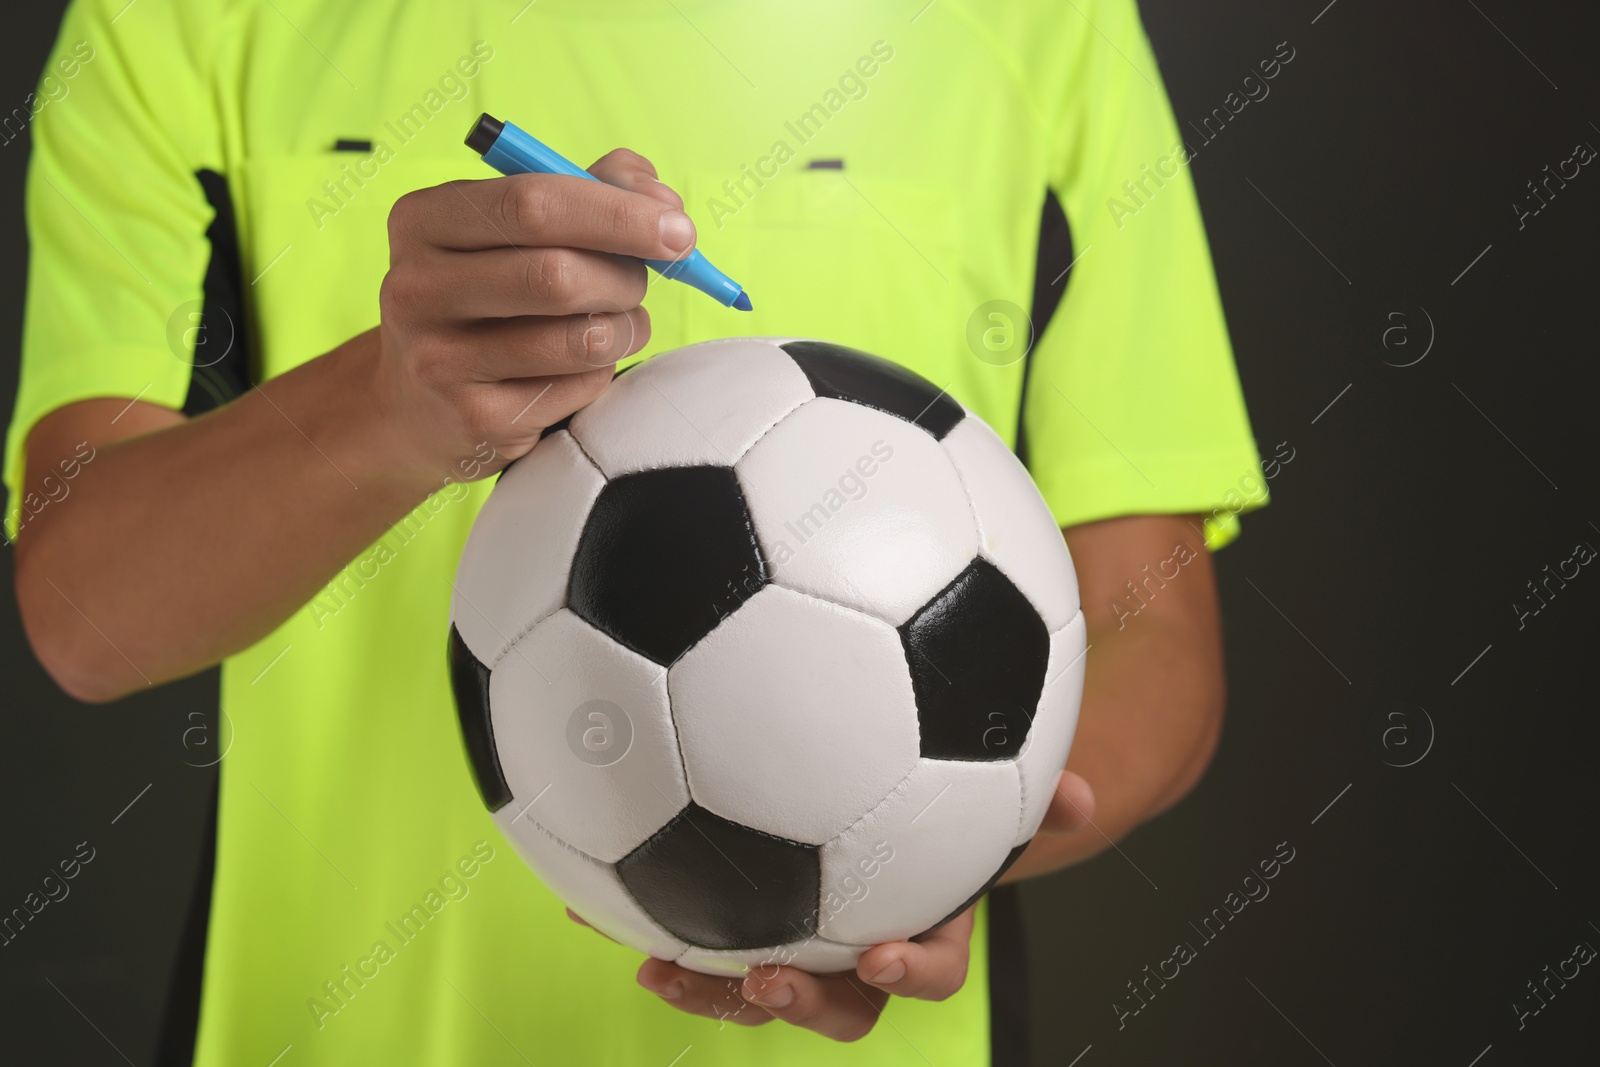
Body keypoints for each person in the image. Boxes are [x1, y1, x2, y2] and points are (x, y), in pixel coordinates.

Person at [5, 0, 1265, 1063]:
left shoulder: (1040, 23)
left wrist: (937, 848)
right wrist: (383, 410)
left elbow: (1148, 623)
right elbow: (83, 612)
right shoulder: (180, 18)